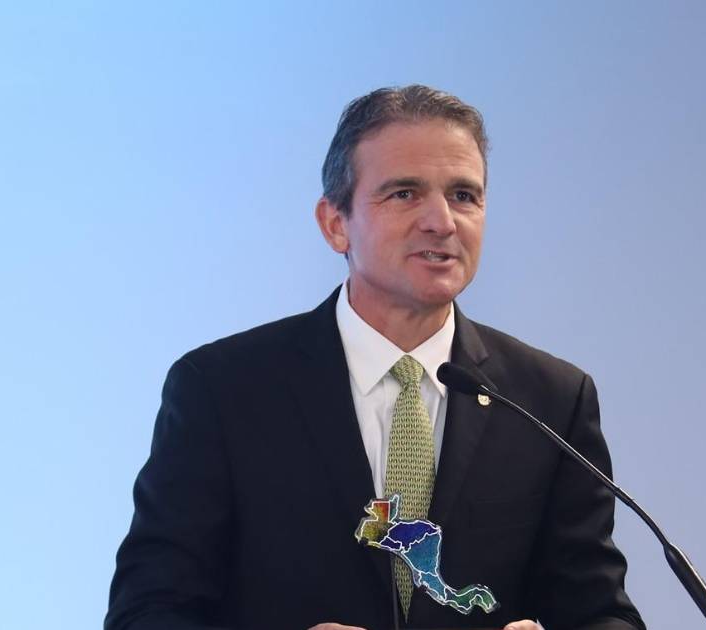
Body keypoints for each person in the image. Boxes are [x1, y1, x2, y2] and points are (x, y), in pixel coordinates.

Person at [106, 85, 645, 630]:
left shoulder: (549, 400)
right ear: (335, 223)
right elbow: (147, 611)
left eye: (464, 195)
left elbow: (602, 614)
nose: (442, 221)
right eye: (405, 193)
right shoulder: (222, 390)